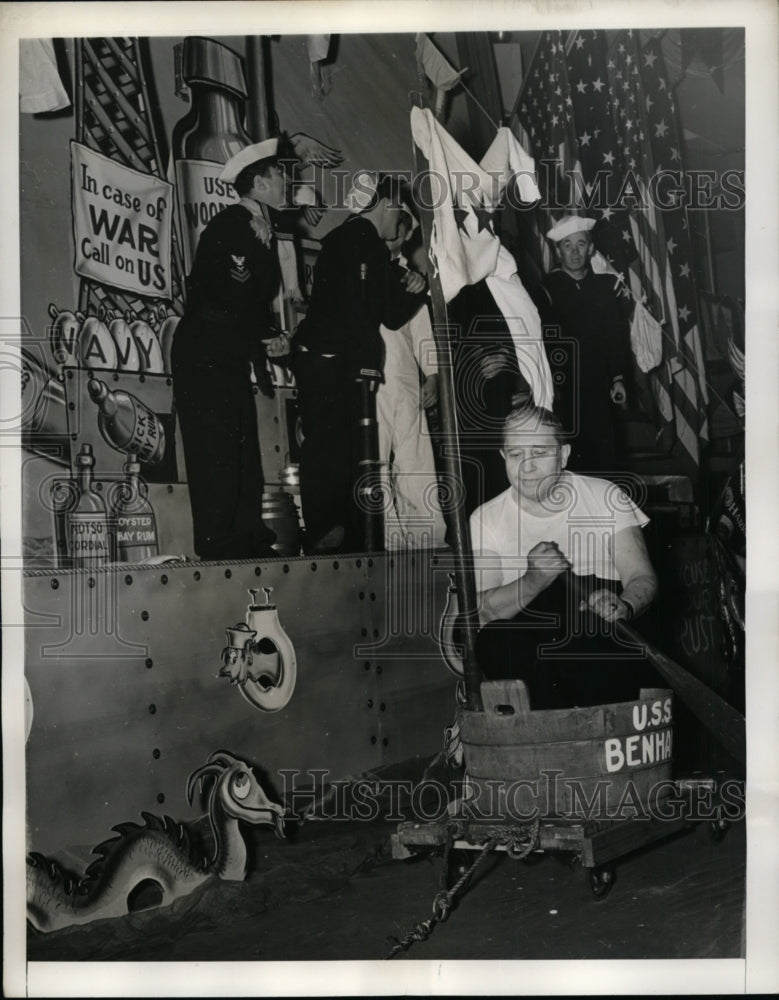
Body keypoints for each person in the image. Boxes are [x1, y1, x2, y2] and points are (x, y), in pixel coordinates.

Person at [470, 403, 661, 709]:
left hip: (601, 616)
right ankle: (555, 737)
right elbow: (483, 614)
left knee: (597, 639)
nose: (526, 467)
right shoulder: (486, 518)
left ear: (564, 454)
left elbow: (642, 577)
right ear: (503, 456)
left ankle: (595, 732)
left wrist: (625, 604)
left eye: (539, 452)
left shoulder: (605, 495)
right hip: (533, 625)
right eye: (516, 454)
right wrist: (532, 582)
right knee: (494, 642)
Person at [292, 172, 428, 553]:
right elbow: (388, 312)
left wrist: (413, 286)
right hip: (332, 365)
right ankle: (331, 534)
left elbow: (386, 308)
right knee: (336, 452)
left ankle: (333, 532)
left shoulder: (344, 239)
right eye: (396, 213)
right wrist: (417, 286)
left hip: (324, 363)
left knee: (334, 451)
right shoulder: (361, 239)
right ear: (386, 206)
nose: (394, 225)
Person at [172, 137, 293, 560]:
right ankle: (219, 545)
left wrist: (269, 333)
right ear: (259, 183)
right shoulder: (235, 226)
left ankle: (247, 541)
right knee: (217, 451)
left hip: (223, 350)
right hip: (205, 351)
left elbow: (247, 305)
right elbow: (233, 296)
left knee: (240, 449)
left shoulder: (256, 227)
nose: (286, 181)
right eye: (279, 175)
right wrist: (266, 335)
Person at [530, 216, 633, 477]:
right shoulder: (546, 290)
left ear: (590, 249)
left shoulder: (604, 287)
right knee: (569, 461)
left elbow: (613, 338)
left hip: (599, 387)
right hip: (562, 389)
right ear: (557, 251)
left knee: (604, 459)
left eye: (580, 244)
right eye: (567, 245)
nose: (575, 252)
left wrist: (618, 378)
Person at [376, 211, 447, 549]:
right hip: (369, 383)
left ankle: (428, 539)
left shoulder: (412, 280)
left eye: (395, 232)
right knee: (375, 461)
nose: (388, 237)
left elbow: (423, 334)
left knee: (416, 460)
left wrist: (432, 376)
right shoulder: (360, 272)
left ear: (405, 235)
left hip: (404, 382)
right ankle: (389, 540)